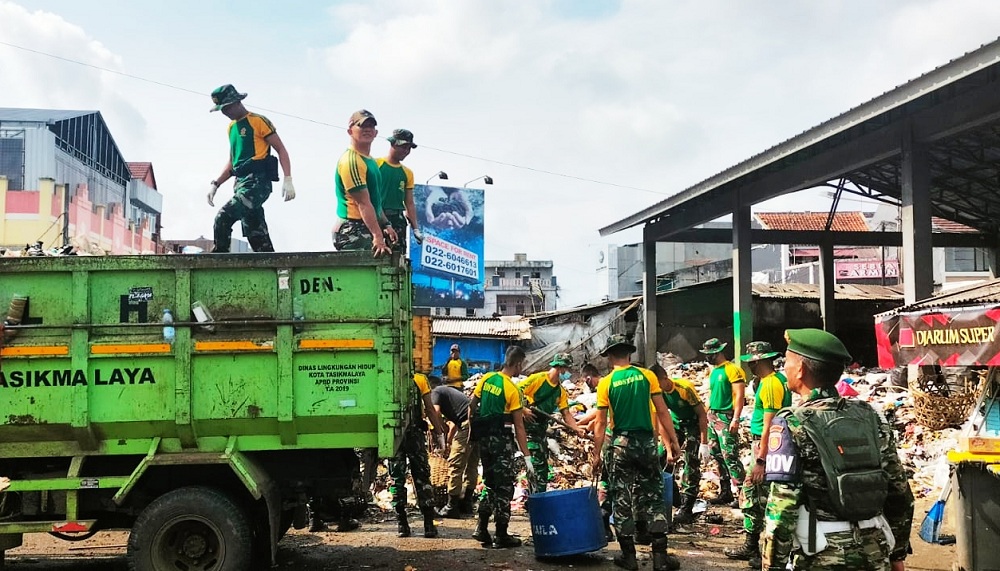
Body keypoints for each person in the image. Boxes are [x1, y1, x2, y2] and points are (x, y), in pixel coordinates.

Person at [761, 329, 914, 571]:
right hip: (874, 551)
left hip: (822, 556)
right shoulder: (871, 416)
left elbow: (782, 509)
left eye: (787, 361)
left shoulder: (791, 422)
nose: (784, 368)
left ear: (800, 369)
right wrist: (897, 555)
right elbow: (900, 492)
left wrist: (772, 566)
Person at [591, 335, 681, 571]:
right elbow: (663, 411)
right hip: (646, 445)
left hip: (620, 445)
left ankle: (628, 556)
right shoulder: (647, 376)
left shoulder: (606, 383)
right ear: (629, 354)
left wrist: (596, 454)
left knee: (621, 499)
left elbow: (600, 423)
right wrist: (672, 442)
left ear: (610, 357)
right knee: (653, 497)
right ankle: (660, 558)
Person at [724, 341, 790, 566]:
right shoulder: (772, 380)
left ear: (761, 361)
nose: (750, 366)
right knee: (761, 495)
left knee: (753, 495)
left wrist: (761, 459)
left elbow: (769, 425)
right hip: (771, 446)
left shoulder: (771, 384)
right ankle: (757, 548)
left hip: (765, 446)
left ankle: (754, 548)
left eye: (752, 362)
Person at [207, 84, 294, 253]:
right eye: (222, 110)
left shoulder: (258, 121)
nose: (225, 113)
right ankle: (272, 267)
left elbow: (281, 149)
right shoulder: (231, 128)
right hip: (240, 183)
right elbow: (233, 162)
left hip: (257, 183)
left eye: (226, 108)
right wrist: (216, 183)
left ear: (236, 102)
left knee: (223, 218)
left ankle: (217, 262)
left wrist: (288, 178)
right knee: (256, 234)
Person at [469, 346, 532, 549]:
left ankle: (481, 528)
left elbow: (472, 405)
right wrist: (527, 456)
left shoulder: (486, 379)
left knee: (489, 483)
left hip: (485, 441)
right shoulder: (512, 389)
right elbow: (519, 425)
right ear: (518, 364)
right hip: (501, 443)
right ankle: (502, 534)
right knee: (504, 486)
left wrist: (474, 428)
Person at [648, 364, 711, 526]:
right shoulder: (657, 392)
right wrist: (668, 447)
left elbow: (702, 415)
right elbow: (661, 419)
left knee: (691, 462)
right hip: (675, 424)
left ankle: (687, 507)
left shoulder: (684, 388)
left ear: (664, 378)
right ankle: (671, 497)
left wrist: (704, 442)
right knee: (660, 458)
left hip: (692, 424)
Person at [389, 372, 448, 538]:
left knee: (397, 478)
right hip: (414, 434)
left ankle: (402, 525)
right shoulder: (420, 379)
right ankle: (429, 525)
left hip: (393, 435)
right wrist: (438, 432)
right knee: (422, 477)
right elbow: (429, 408)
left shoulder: (388, 377)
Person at [517, 352, 585, 494]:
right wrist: (523, 409)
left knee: (541, 466)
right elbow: (515, 392)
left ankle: (536, 498)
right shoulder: (538, 379)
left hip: (541, 429)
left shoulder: (560, 392)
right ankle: (536, 498)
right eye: (566, 370)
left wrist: (577, 429)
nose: (567, 373)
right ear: (560, 368)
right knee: (537, 464)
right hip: (528, 427)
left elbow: (566, 414)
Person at [333, 109, 397, 256]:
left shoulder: (370, 161)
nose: (367, 129)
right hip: (352, 229)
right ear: (350, 131)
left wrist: (386, 224)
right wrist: (378, 236)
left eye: (371, 126)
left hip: (367, 225)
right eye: (361, 126)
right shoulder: (352, 161)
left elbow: (375, 202)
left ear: (376, 132)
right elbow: (363, 203)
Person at [701, 337, 746, 507]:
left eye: (710, 354)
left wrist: (736, 418)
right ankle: (725, 491)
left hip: (726, 416)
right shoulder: (714, 372)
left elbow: (739, 395)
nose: (708, 357)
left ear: (718, 352)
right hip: (713, 415)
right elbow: (713, 395)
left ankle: (742, 494)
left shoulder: (732, 370)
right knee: (716, 455)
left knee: (730, 455)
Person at [433, 373, 480, 518]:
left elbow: (435, 412)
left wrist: (439, 428)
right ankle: (467, 503)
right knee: (472, 465)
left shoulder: (435, 392)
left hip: (467, 425)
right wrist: (448, 440)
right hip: (477, 424)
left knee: (455, 465)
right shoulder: (450, 393)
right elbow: (454, 422)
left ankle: (452, 506)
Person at [377, 129, 423, 251]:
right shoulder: (376, 165)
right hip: (377, 216)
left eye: (409, 148)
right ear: (393, 144)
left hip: (397, 219)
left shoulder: (407, 173)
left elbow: (409, 203)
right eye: (403, 147)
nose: (406, 151)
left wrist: (416, 229)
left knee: (398, 256)